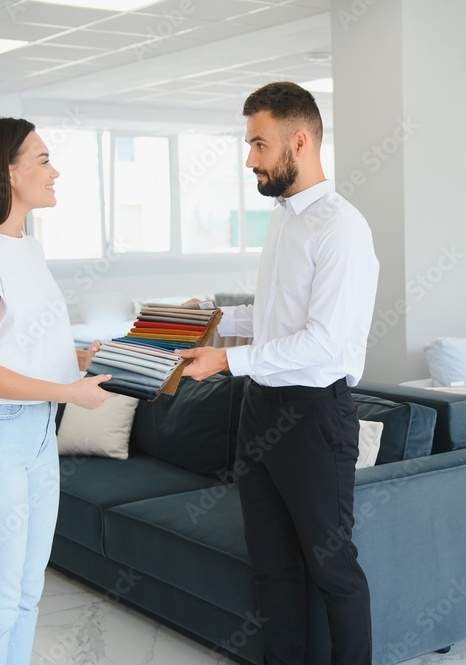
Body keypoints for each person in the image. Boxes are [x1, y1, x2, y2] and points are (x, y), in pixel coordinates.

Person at [177, 82, 380, 665]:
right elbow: (272, 318)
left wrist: (228, 360)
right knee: (271, 567)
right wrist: (211, 319)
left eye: (259, 145)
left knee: (332, 568)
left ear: (299, 140)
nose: (250, 160)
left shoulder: (342, 228)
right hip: (260, 408)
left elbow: (322, 341)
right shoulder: (286, 220)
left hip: (314, 416)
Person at [0, 117, 114, 664]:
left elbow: (15, 344)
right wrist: (68, 390)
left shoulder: (25, 249)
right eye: (42, 159)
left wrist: (75, 361)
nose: (53, 171)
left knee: (28, 593)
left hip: (36, 433)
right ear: (7, 172)